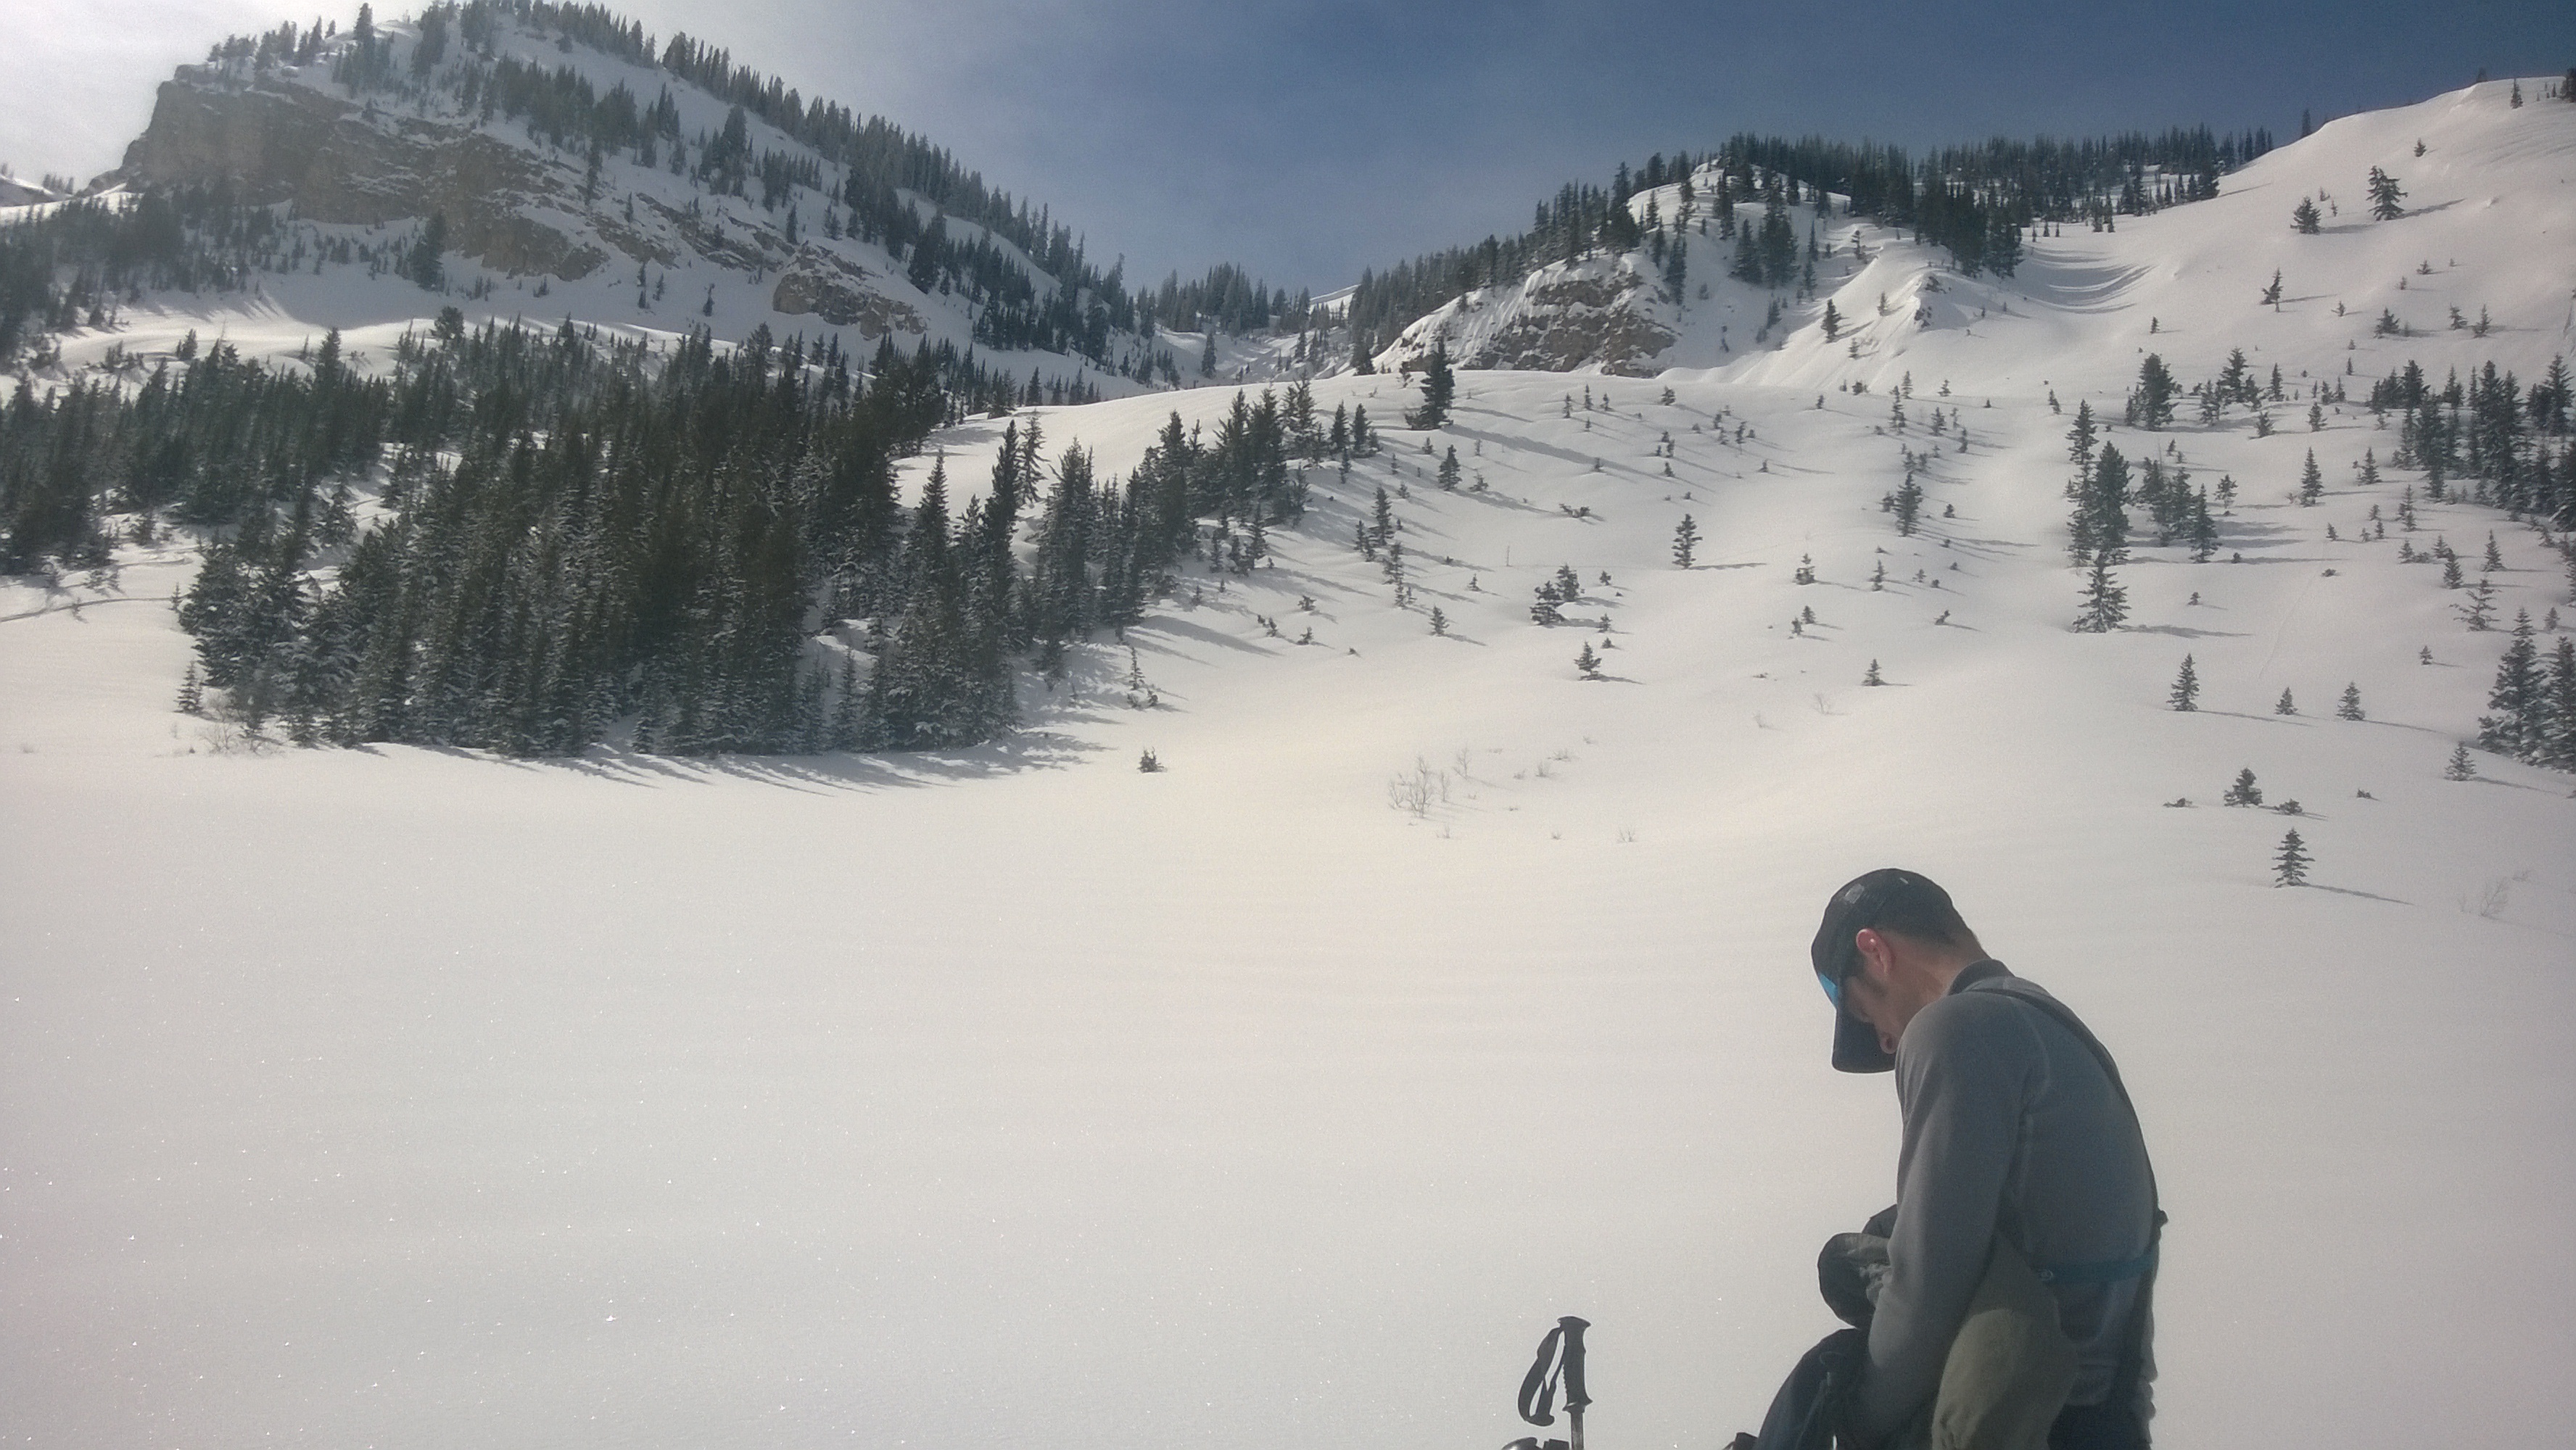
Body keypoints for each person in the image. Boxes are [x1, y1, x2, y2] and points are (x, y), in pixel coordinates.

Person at [1750, 869, 2160, 1450]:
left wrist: (1857, 1423)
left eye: (1865, 1013)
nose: (1885, 1042)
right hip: (2104, 1422)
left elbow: (1928, 1284)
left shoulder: (1955, 1029)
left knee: (1826, 1374)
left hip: (2025, 1425)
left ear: (1876, 950)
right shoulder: (2055, 1028)